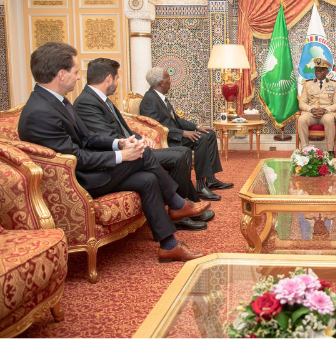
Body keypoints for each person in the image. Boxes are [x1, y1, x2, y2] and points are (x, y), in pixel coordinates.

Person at [18, 42, 210, 262]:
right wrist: (122, 155)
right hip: (77, 182)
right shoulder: (40, 113)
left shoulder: (57, 102)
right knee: (142, 153)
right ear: (61, 75)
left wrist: (118, 143)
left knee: (147, 179)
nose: (79, 77)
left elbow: (87, 137)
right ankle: (177, 204)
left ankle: (169, 245)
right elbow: (74, 158)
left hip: (85, 171)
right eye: (75, 71)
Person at [74, 58, 220, 208]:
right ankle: (182, 204)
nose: (117, 83)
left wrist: (142, 138)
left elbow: (125, 130)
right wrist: (137, 143)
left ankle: (189, 200)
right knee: (180, 155)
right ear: (108, 78)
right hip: (121, 154)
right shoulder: (87, 102)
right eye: (117, 78)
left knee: (191, 146)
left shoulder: (104, 100)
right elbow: (107, 136)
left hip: (133, 146)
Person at [139, 67, 233, 195]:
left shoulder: (160, 97)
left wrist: (197, 127)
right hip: (167, 139)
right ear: (161, 82)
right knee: (201, 139)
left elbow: (177, 120)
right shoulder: (149, 99)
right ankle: (200, 186)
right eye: (168, 79)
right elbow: (155, 126)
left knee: (208, 134)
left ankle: (211, 180)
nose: (170, 82)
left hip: (175, 135)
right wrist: (182, 133)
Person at [298, 58, 336, 157]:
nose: (318, 72)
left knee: (330, 119)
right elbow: (302, 103)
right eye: (317, 70)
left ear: (327, 71)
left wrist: (326, 110)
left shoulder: (334, 84)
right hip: (311, 113)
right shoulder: (308, 84)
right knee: (301, 119)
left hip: (326, 113)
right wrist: (311, 109)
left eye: (321, 70)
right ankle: (305, 151)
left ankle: (330, 151)